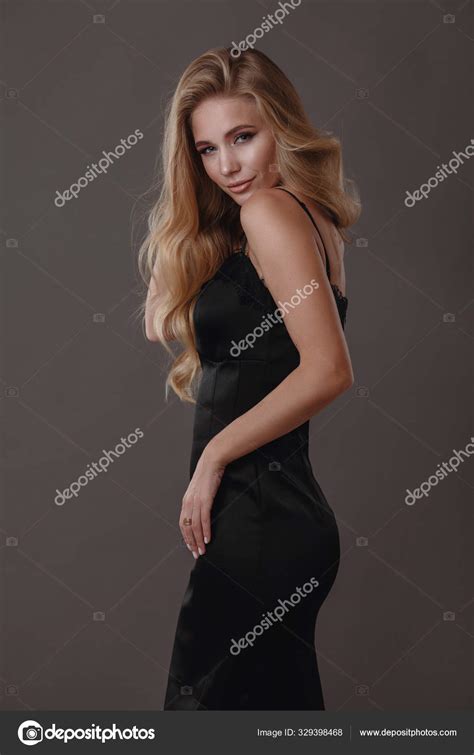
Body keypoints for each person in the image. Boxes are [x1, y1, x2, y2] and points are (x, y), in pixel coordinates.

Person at [138, 46, 360, 710]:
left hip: (262, 521)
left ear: (281, 128)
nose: (227, 165)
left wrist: (213, 456)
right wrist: (185, 223)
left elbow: (329, 368)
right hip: (264, 522)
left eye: (243, 137)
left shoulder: (271, 214)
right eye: (206, 149)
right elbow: (160, 322)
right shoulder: (277, 220)